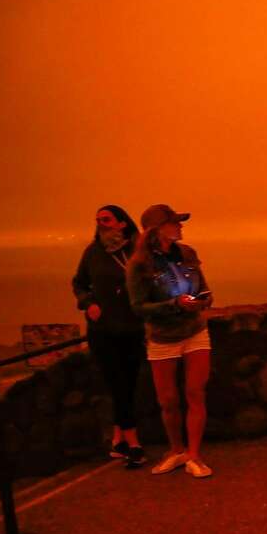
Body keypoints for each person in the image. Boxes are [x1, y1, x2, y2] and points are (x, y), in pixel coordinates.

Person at [126, 204, 215, 478]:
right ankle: (177, 449)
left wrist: (204, 299)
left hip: (195, 331)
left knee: (195, 392)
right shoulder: (139, 265)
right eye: (175, 222)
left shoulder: (188, 254)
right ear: (157, 229)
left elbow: (203, 287)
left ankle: (194, 455)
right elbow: (138, 307)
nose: (181, 226)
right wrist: (174, 305)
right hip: (163, 338)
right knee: (168, 400)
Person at [71, 205, 147, 468]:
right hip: (103, 331)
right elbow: (79, 283)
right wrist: (88, 302)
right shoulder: (93, 253)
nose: (101, 224)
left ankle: (118, 441)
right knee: (118, 385)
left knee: (126, 385)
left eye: (106, 219)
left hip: (132, 328)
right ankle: (134, 444)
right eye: (98, 220)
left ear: (122, 223)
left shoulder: (137, 251)